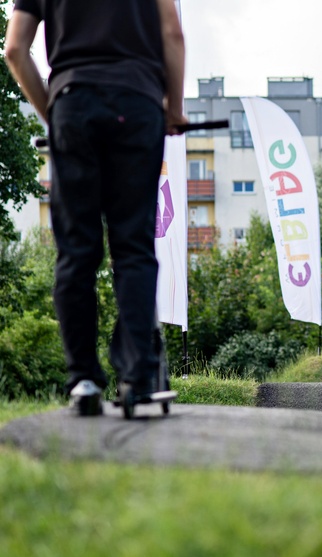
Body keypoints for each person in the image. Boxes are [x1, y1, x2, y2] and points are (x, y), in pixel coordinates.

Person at [4, 0, 187, 415]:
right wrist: (173, 108)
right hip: (137, 102)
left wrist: (55, 112)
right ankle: (138, 375)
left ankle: (84, 381)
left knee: (77, 248)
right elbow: (172, 32)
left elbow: (15, 48)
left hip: (74, 102)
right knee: (134, 246)